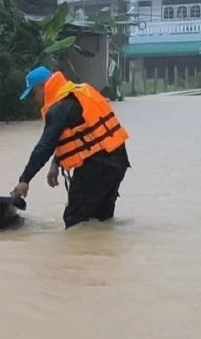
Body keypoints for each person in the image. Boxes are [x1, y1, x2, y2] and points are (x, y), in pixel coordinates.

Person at [10, 66, 130, 229]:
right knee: (101, 220)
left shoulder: (58, 107)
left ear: (42, 87)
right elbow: (81, 132)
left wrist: (25, 180)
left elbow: (45, 146)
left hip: (97, 165)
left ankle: (80, 253)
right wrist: (56, 163)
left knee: (75, 221)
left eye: (33, 94)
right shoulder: (77, 92)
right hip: (117, 161)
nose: (36, 99)